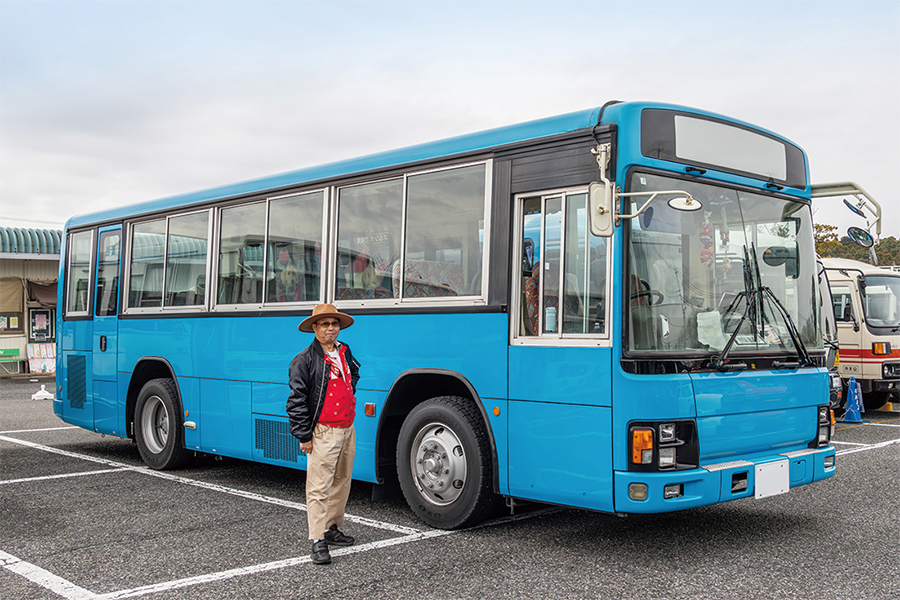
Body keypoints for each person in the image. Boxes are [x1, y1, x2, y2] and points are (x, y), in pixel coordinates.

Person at [287, 303, 360, 565]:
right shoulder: (304, 360)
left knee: (342, 481)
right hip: (324, 431)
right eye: (325, 324)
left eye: (334, 324)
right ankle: (317, 540)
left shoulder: (344, 351)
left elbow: (353, 376)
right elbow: (296, 401)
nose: (331, 328)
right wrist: (304, 435)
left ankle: (331, 528)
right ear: (315, 328)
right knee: (318, 488)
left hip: (347, 428)